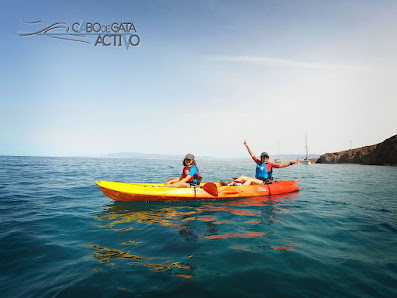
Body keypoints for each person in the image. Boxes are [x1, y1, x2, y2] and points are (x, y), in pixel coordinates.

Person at [228, 140, 301, 186]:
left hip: (264, 182)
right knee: (242, 176)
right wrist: (247, 146)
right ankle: (229, 186)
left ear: (268, 158)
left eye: (266, 157)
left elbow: (282, 165)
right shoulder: (258, 163)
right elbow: (252, 155)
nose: (265, 158)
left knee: (250, 180)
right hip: (258, 181)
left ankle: (241, 188)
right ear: (261, 157)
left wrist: (293, 162)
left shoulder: (270, 164)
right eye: (263, 157)